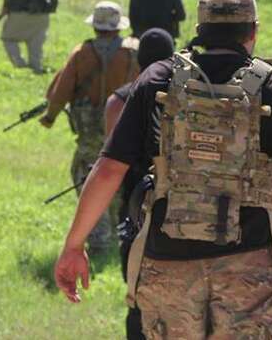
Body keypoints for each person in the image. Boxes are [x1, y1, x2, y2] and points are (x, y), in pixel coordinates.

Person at [54, 0, 272, 339]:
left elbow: (108, 171)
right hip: (250, 266)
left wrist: (74, 246)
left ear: (199, 31)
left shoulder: (157, 80)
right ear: (254, 31)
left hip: (169, 263)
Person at [39, 1, 140, 253]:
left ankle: (98, 237)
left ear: (95, 26)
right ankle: (121, 229)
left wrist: (49, 117)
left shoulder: (82, 53)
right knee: (120, 173)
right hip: (123, 125)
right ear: (118, 26)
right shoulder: (134, 52)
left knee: (85, 175)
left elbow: (60, 90)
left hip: (89, 130)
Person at [104, 27, 176, 340]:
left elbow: (113, 159)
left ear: (137, 59)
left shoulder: (120, 100)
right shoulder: (188, 96)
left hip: (135, 209)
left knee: (136, 298)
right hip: (174, 208)